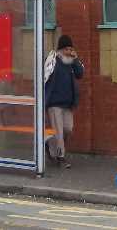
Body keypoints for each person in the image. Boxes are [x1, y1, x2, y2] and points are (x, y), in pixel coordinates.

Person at [43, 34, 84, 168]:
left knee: (68, 129)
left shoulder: (71, 62)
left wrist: (76, 59)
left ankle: (49, 145)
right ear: (60, 49)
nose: (69, 51)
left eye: (71, 48)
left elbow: (80, 74)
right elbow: (45, 76)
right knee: (59, 132)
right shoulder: (53, 61)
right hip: (54, 103)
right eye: (66, 48)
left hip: (67, 104)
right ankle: (61, 158)